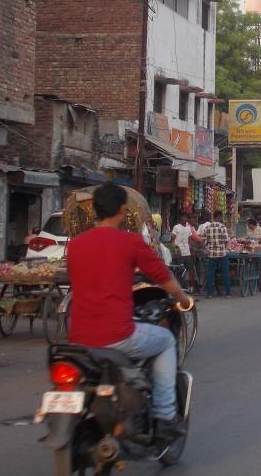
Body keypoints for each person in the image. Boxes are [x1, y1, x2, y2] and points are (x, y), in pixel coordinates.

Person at [65, 183, 192, 439]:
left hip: (78, 338)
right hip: (117, 334)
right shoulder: (130, 242)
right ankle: (165, 416)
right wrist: (183, 298)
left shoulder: (76, 245)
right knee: (166, 341)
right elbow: (162, 276)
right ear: (122, 210)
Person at [202, 211, 231, 299]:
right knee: (225, 273)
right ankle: (228, 293)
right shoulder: (222, 227)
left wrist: (208, 249)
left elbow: (204, 241)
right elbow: (226, 240)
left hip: (212, 255)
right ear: (219, 217)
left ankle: (210, 294)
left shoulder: (207, 227)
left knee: (210, 274)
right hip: (222, 254)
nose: (222, 219)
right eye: (221, 217)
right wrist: (227, 248)